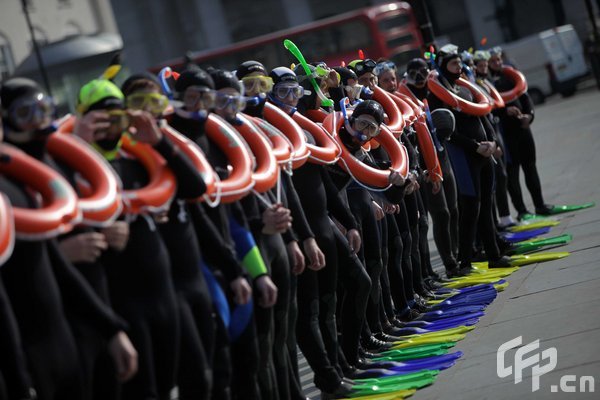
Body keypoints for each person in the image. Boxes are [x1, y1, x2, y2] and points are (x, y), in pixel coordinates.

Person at [0, 77, 137, 400]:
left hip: (69, 341)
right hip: (30, 356)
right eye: (25, 114)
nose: (38, 124)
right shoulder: (10, 183)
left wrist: (112, 328)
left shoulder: (40, 171)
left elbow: (52, 263)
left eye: (43, 110)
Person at [74, 78, 205, 400]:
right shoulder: (73, 168)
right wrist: (79, 144)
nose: (110, 129)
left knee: (190, 381)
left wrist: (158, 141)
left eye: (117, 119)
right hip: (122, 302)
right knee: (144, 392)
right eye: (101, 121)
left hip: (164, 294)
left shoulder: (140, 161)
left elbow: (195, 188)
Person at [427, 45, 511, 274]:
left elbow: (483, 116)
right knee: (470, 208)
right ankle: (464, 262)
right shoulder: (437, 94)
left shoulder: (465, 88)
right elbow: (447, 132)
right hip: (465, 156)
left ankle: (495, 255)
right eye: (453, 64)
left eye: (459, 63)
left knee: (486, 205)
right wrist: (475, 146)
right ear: (443, 66)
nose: (459, 67)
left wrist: (492, 142)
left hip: (484, 153)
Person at [488, 47, 553, 218]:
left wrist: (529, 116)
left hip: (523, 128)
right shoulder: (487, 82)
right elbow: (489, 108)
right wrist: (504, 112)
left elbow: (525, 98)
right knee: (512, 172)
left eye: (499, 59)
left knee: (531, 167)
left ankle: (540, 205)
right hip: (505, 132)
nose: (498, 63)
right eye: (493, 61)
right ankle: (522, 211)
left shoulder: (511, 75)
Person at [472, 51, 516, 229]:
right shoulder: (473, 85)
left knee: (502, 177)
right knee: (493, 183)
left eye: (484, 66)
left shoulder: (484, 82)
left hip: (494, 134)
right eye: (480, 66)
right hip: (484, 143)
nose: (483, 69)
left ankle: (504, 217)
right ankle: (499, 222)